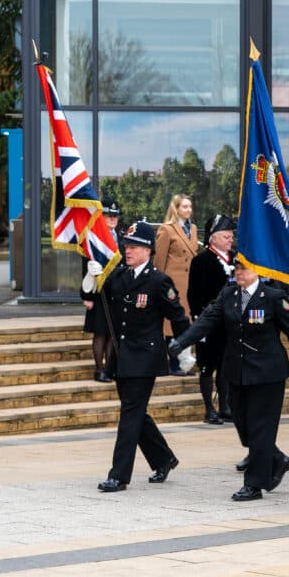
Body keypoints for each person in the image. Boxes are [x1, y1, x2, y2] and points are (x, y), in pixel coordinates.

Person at [169, 258, 289, 500]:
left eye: (243, 268)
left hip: (268, 373)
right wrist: (182, 341)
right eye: (236, 268)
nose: (238, 272)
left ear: (256, 271)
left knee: (260, 428)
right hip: (237, 371)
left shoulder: (273, 297)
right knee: (243, 426)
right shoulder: (228, 294)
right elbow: (206, 320)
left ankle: (254, 484)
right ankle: (277, 458)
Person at [85, 222, 191, 492]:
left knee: (129, 415)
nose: (127, 250)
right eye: (126, 245)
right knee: (136, 413)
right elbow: (97, 299)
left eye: (133, 246)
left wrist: (185, 347)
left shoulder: (158, 281)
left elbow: (178, 316)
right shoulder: (121, 276)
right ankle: (164, 458)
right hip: (121, 357)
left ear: (148, 250)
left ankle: (119, 475)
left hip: (145, 358)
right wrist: (90, 277)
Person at [187, 214, 236, 426]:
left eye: (231, 236)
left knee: (226, 366)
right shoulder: (201, 261)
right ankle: (209, 408)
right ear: (213, 238)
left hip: (230, 323)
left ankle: (225, 406)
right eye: (226, 236)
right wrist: (200, 320)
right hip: (209, 323)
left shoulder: (236, 260)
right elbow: (193, 294)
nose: (230, 240)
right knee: (207, 366)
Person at [79, 201, 125, 383]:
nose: (113, 219)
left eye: (115, 216)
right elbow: (86, 267)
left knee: (112, 333)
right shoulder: (93, 236)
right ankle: (99, 370)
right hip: (98, 291)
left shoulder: (121, 236)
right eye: (108, 216)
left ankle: (109, 368)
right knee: (100, 332)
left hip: (117, 292)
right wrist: (87, 296)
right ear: (101, 217)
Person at [155, 193, 198, 376]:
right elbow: (159, 260)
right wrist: (159, 285)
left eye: (189, 206)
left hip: (190, 284)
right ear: (176, 208)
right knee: (171, 324)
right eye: (184, 206)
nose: (188, 209)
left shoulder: (194, 228)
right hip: (172, 283)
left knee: (186, 323)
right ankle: (173, 363)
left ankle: (183, 363)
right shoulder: (167, 229)